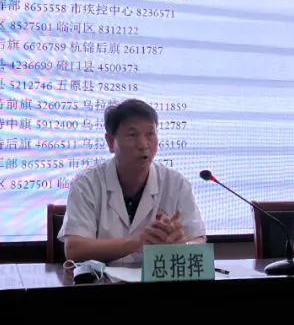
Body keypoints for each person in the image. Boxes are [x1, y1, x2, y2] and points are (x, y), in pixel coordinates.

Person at [60, 99, 204, 265]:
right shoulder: (87, 183)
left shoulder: (176, 183)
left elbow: (198, 241)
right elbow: (74, 250)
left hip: (156, 278)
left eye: (150, 134)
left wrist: (181, 246)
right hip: (101, 279)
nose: (143, 145)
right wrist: (137, 242)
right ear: (110, 141)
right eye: (132, 135)